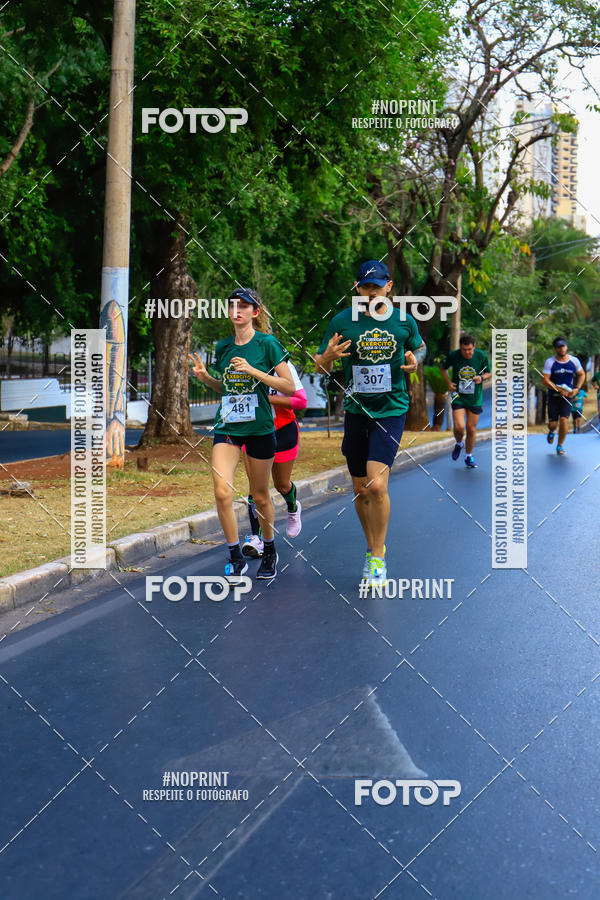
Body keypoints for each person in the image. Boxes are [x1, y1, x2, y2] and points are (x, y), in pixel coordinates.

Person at [314, 259, 424, 588]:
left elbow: (420, 347)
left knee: (376, 485)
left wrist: (416, 360)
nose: (371, 292)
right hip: (356, 410)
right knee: (360, 488)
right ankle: (371, 545)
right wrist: (327, 358)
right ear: (357, 289)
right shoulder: (341, 321)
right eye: (365, 287)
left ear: (389, 287)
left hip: (391, 408)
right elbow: (319, 366)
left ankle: (378, 555)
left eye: (377, 286)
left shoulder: (403, 321)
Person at [189, 288, 294, 580]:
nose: (237, 310)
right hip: (228, 427)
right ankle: (235, 557)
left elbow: (288, 387)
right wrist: (206, 378)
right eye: (233, 305)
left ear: (255, 312)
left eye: (244, 306)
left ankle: (269, 550)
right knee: (222, 491)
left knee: (260, 496)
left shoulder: (267, 344)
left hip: (259, 428)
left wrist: (253, 371)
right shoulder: (223, 347)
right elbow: (226, 388)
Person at [242, 352, 307, 558]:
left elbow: (301, 402)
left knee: (282, 485)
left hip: (283, 430)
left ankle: (292, 506)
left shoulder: (282, 367)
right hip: (253, 431)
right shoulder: (241, 365)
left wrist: (266, 398)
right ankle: (257, 538)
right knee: (256, 486)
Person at [439, 333, 491, 469]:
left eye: (470, 350)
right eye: (464, 350)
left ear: (474, 347)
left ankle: (468, 456)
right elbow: (442, 367)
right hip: (458, 395)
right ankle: (459, 443)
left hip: (475, 397)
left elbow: (489, 373)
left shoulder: (481, 356)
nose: (467, 352)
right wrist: (449, 383)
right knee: (459, 427)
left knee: (471, 428)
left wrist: (481, 378)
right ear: (460, 348)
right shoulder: (453, 355)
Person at [542, 337, 584, 455]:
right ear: (555, 349)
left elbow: (581, 374)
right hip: (554, 396)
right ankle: (552, 431)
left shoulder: (574, 361)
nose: (562, 349)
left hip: (568, 396)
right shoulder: (550, 362)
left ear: (566, 347)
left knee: (564, 420)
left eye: (563, 346)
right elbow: (545, 380)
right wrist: (558, 389)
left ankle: (559, 445)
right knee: (553, 425)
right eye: (559, 347)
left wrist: (577, 389)